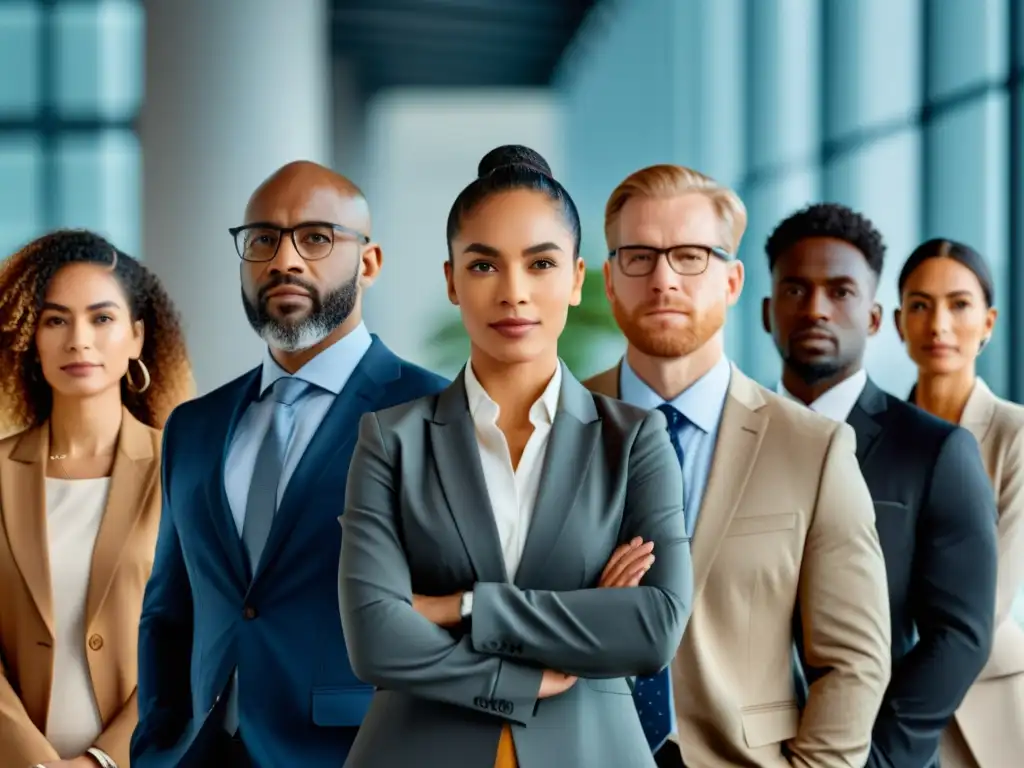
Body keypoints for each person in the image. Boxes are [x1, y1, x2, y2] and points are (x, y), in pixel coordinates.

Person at [338, 145, 693, 768]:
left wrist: (459, 607)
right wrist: (558, 643)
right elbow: (374, 639)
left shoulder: (634, 439)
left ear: (578, 279)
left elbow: (654, 626)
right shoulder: (391, 439)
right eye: (483, 266)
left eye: (541, 263)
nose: (514, 293)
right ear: (451, 279)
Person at [130, 161, 448, 768]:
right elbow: (169, 614)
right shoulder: (194, 428)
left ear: (370, 262)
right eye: (263, 240)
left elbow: (451, 611)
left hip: (355, 751)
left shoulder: (431, 414)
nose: (285, 260)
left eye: (317, 238)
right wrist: (155, 747)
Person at [584, 164, 892, 768]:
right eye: (639, 256)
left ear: (732, 280)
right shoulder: (552, 428)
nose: (664, 278)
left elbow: (854, 662)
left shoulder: (814, 449)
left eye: (692, 255)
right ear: (611, 279)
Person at [762, 205, 998, 768]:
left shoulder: (935, 451)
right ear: (769, 311)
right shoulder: (724, 440)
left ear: (872, 317)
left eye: (840, 291)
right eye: (796, 290)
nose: (816, 309)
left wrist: (874, 759)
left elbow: (959, 636)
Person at [0, 230, 193, 768]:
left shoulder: (183, 466)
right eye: (55, 319)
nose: (78, 339)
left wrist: (101, 761)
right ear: (31, 338)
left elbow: (197, 638)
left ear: (136, 337)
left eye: (101, 318)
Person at [895, 237, 1024, 768]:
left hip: (990, 697)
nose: (938, 324)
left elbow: (986, 601)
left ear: (989, 323)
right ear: (898, 321)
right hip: (878, 697)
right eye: (920, 305)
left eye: (959, 304)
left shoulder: (1014, 436)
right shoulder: (871, 437)